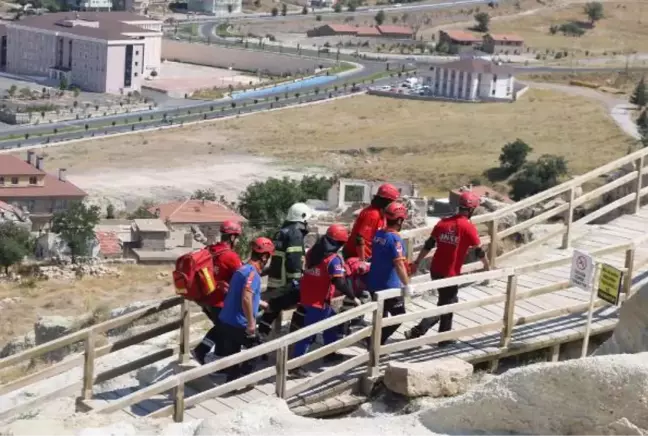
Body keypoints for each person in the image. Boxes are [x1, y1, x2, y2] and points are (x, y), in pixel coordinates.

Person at [404, 191, 490, 345]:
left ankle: (443, 337)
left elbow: (429, 244)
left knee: (448, 302)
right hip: (449, 273)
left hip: (435, 269)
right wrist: (487, 266)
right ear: (471, 210)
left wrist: (417, 262)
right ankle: (420, 331)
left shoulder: (443, 223)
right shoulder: (467, 227)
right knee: (446, 305)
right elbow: (479, 251)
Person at [292, 224, 359, 370]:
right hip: (319, 303)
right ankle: (295, 366)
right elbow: (339, 282)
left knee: (332, 324)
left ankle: (330, 353)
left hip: (307, 297)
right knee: (308, 334)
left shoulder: (312, 253)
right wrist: (353, 297)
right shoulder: (333, 260)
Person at [219, 237, 275, 382]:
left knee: (233, 356)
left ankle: (231, 382)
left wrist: (262, 304)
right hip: (239, 323)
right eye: (268, 256)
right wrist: (251, 323)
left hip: (226, 319)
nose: (268, 260)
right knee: (257, 350)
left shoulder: (242, 269)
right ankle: (243, 379)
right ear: (264, 256)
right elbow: (246, 298)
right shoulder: (253, 274)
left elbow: (241, 293)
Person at [191, 220, 243, 365]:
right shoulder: (230, 256)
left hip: (206, 299)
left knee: (222, 330)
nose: (238, 240)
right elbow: (243, 275)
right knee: (224, 329)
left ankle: (218, 357)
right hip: (220, 301)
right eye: (237, 237)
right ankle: (200, 351)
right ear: (232, 237)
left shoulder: (210, 249)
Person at [258, 202, 312, 337]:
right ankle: (295, 336)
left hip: (274, 282)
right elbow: (294, 261)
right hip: (286, 285)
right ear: (303, 217)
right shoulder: (295, 234)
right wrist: (297, 282)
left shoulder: (281, 232)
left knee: (271, 311)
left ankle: (260, 336)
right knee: (309, 300)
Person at [366, 202, 412, 345]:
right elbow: (399, 264)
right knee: (399, 317)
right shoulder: (395, 239)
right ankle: (375, 342)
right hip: (389, 287)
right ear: (399, 220)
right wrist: (407, 284)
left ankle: (376, 344)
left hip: (374, 283)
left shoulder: (378, 234)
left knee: (381, 317)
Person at [343, 183, 400, 261]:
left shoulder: (381, 213)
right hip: (356, 256)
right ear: (387, 201)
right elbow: (360, 238)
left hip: (367, 255)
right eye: (393, 202)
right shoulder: (373, 214)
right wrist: (363, 261)